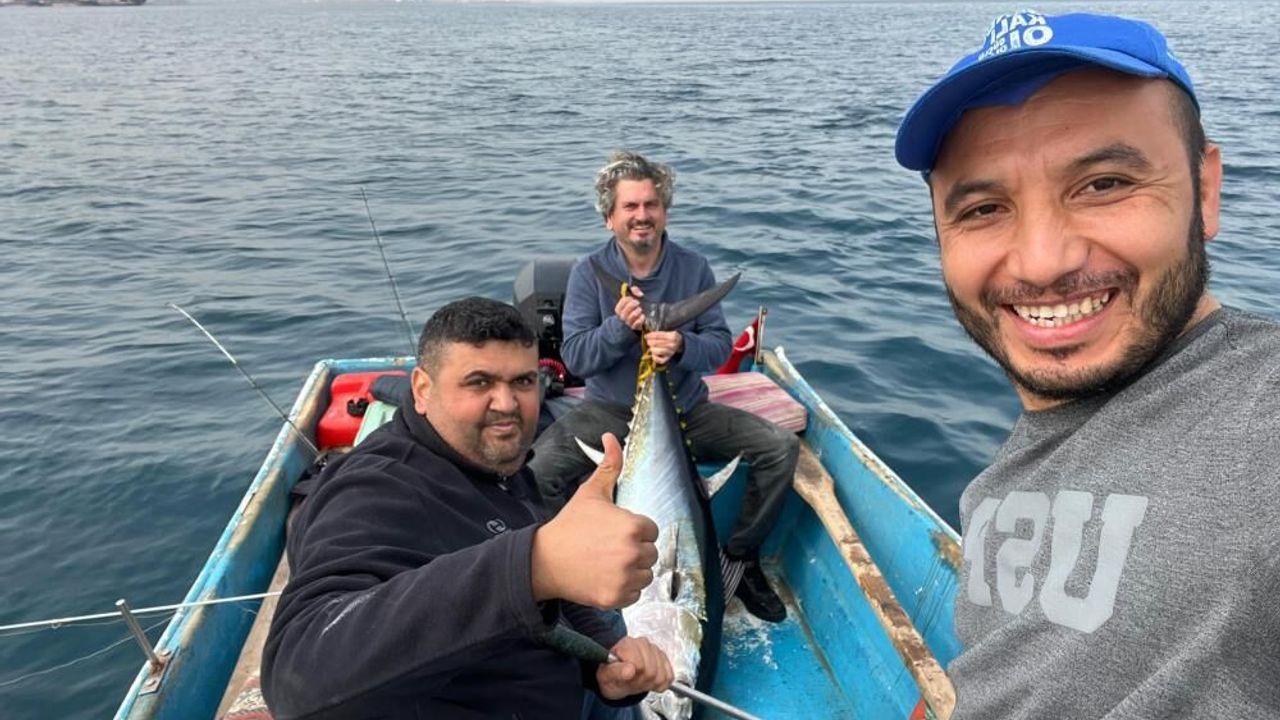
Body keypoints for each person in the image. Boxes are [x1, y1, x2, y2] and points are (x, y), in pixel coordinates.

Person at [895, 10, 1280, 718]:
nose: (1042, 262)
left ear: (1205, 190)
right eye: (983, 208)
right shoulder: (997, 485)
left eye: (1103, 184)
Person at [261, 297, 674, 720]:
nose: (507, 403)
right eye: (479, 382)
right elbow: (297, 681)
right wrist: (532, 566)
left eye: (523, 381)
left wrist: (601, 658)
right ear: (422, 390)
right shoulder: (374, 490)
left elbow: (549, 589)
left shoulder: (495, 462)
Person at [529, 151, 800, 623]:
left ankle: (739, 559)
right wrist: (618, 328)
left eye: (651, 205)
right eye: (630, 206)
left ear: (665, 211)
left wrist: (680, 346)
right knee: (536, 474)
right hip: (608, 411)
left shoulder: (693, 269)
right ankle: (572, 568)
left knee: (780, 449)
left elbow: (718, 347)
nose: (642, 215)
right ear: (610, 217)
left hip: (687, 410)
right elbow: (575, 358)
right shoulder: (588, 273)